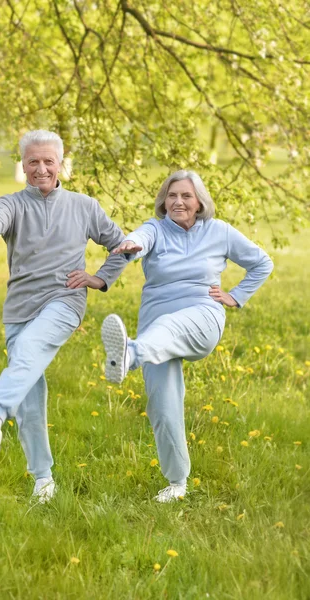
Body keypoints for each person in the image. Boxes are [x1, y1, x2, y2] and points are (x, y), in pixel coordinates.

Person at [0, 130, 128, 503]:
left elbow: (122, 244)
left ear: (60, 163)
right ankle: (43, 481)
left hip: (64, 301)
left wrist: (100, 279)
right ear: (23, 165)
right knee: (30, 396)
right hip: (19, 308)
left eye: (48, 161)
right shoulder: (14, 203)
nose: (41, 168)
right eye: (33, 161)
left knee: (31, 349)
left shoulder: (84, 206)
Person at [101, 170, 273, 503]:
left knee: (170, 328)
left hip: (201, 315)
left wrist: (236, 295)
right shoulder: (154, 229)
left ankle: (128, 356)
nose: (178, 201)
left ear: (199, 203)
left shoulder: (219, 231)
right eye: (172, 196)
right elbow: (141, 239)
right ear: (164, 202)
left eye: (186, 196)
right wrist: (132, 245)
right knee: (163, 406)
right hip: (154, 325)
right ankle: (177, 482)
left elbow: (262, 263)